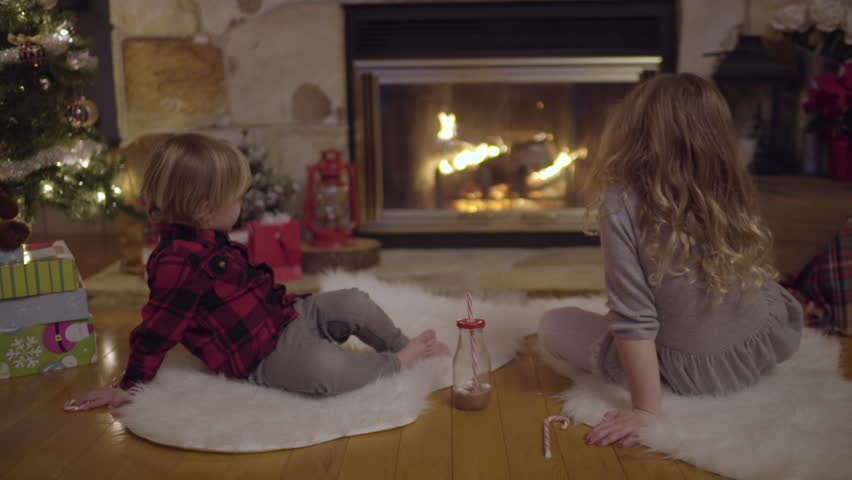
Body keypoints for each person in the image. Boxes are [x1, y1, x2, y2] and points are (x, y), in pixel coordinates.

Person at [66, 133, 448, 411]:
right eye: (236, 200)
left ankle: (397, 343)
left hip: (285, 315)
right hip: (261, 356)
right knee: (326, 369)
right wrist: (131, 384)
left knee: (353, 300)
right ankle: (397, 364)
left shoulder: (209, 237)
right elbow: (158, 329)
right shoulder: (176, 264)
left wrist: (300, 310)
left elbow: (251, 290)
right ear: (203, 209)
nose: (241, 206)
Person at [538, 73, 803, 448]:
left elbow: (634, 315)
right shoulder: (727, 185)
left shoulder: (621, 202)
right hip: (764, 342)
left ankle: (664, 372)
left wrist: (645, 410)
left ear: (632, 133)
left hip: (699, 369)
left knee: (553, 323)